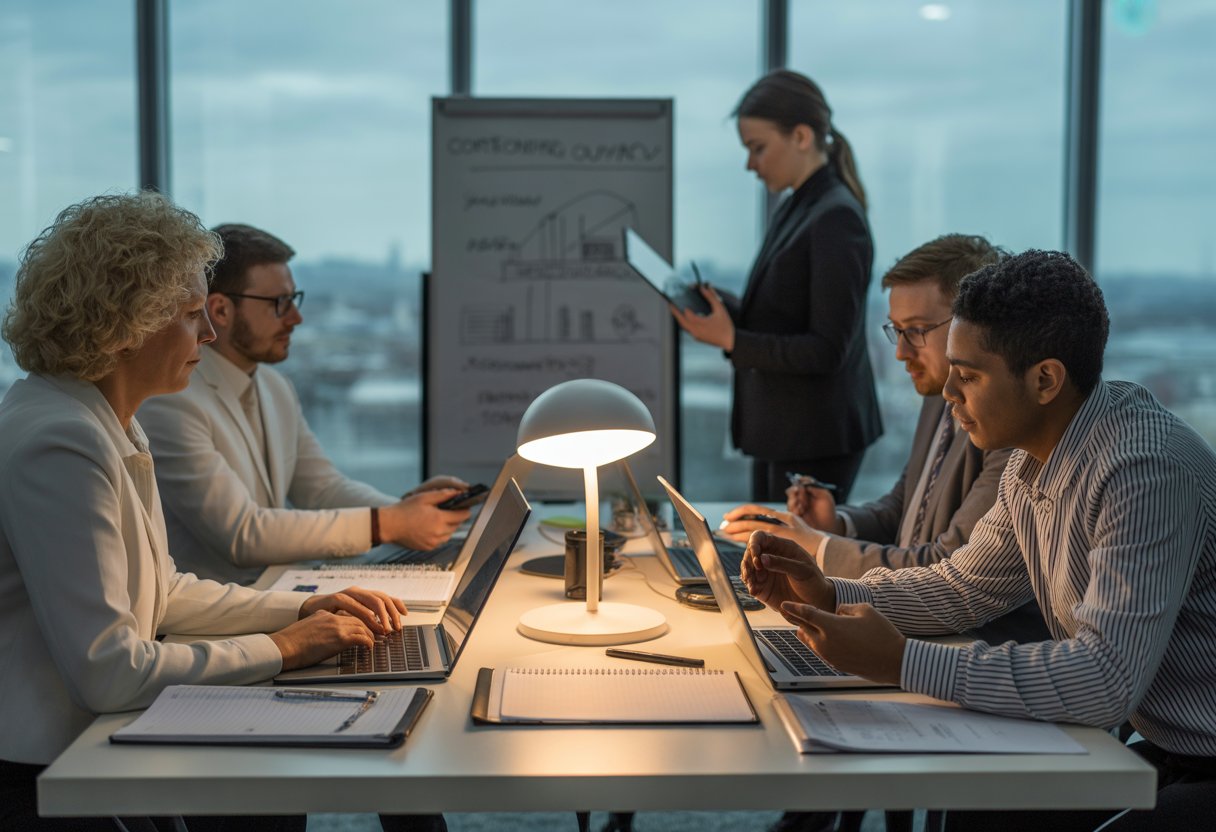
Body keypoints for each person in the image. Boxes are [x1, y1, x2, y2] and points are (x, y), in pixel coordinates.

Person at [742, 250, 1216, 831]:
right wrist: (829, 593)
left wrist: (901, 661)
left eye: (968, 376)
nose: (949, 394)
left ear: (1045, 380)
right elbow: (963, 587)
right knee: (983, 813)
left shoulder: (1142, 469)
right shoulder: (1029, 460)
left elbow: (1104, 679)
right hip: (1166, 741)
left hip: (1202, 753)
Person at [0, 193, 406, 832]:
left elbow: (164, 592)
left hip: (89, 751)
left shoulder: (105, 422)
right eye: (193, 315)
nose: (210, 334)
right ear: (124, 323)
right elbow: (110, 672)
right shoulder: (62, 439)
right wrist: (282, 647)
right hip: (46, 778)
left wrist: (299, 610)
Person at [720, 234, 1048, 832]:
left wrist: (817, 553)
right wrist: (834, 523)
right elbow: (906, 506)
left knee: (803, 677)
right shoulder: (942, 395)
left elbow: (950, 568)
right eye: (894, 330)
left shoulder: (1013, 429)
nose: (900, 352)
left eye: (916, 330)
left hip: (982, 647)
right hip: (940, 627)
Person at [139, 223, 470, 586]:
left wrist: (405, 509)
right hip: (210, 623)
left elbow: (322, 489)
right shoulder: (171, 401)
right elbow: (242, 534)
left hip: (274, 596)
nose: (295, 318)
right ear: (220, 310)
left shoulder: (274, 386)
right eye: (279, 304)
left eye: (294, 301)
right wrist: (390, 523)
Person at [671, 69, 881, 502]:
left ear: (801, 136)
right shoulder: (799, 205)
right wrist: (725, 306)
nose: (751, 164)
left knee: (789, 562)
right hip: (790, 433)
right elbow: (786, 308)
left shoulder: (835, 217)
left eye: (758, 148)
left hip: (815, 439)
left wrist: (733, 339)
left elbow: (826, 349)